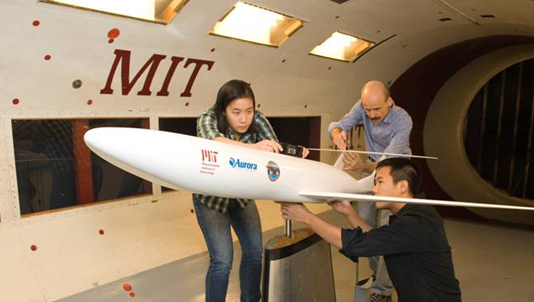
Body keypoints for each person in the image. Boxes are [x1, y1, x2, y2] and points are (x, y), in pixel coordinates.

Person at [279, 158, 462, 302]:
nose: (374, 189)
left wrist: (307, 217)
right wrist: (350, 213)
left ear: (403, 186)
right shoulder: (414, 215)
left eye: (380, 181)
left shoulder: (416, 223)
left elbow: (355, 244)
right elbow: (377, 238)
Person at [193, 79, 307, 302]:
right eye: (236, 112)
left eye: (249, 111)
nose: (244, 118)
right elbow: (213, 142)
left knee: (255, 254)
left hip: (242, 198)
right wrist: (253, 148)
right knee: (222, 260)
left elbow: (273, 148)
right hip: (211, 201)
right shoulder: (207, 118)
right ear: (223, 110)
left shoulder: (258, 119)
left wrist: (292, 153)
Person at [327, 80, 412, 301]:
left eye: (377, 109)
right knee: (362, 223)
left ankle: (382, 290)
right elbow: (336, 125)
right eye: (367, 110)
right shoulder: (362, 107)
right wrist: (337, 133)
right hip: (370, 171)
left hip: (395, 173)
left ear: (389, 101)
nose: (372, 115)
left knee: (387, 229)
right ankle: (382, 272)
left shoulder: (403, 120)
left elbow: (389, 160)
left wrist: (362, 166)